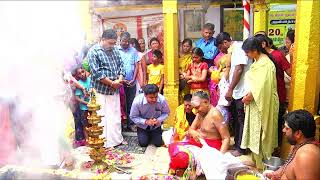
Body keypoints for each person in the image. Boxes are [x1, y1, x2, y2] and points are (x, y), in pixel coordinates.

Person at [168, 91, 230, 175]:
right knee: (172, 147)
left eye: (197, 107)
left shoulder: (215, 114)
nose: (195, 111)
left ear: (206, 102)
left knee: (181, 157)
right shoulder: (200, 113)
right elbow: (191, 129)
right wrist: (193, 132)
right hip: (197, 143)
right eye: (194, 108)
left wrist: (220, 158)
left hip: (210, 147)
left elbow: (226, 138)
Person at [241, 37, 279, 169]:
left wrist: (248, 97)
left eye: (247, 52)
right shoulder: (258, 61)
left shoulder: (265, 64)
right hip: (255, 103)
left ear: (255, 50)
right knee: (255, 131)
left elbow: (261, 87)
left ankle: (262, 165)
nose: (246, 55)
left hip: (262, 103)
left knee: (260, 131)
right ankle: (255, 159)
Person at [87, 29, 126, 148]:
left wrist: (119, 79)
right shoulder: (93, 51)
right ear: (102, 40)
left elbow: (121, 66)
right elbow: (96, 72)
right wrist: (111, 83)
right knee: (102, 116)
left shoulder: (115, 50)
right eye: (110, 43)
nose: (112, 46)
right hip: (100, 90)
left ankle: (116, 140)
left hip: (114, 89)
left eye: (114, 43)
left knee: (114, 116)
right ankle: (103, 142)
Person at [255, 34, 292, 150]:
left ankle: (275, 148)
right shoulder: (258, 57)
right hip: (264, 95)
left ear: (263, 44)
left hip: (276, 94)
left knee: (275, 123)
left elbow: (290, 72)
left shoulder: (277, 55)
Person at [264, 110, 320, 180]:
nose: (283, 130)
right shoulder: (297, 144)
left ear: (298, 133)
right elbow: (288, 165)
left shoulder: (306, 156)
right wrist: (276, 174)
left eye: (287, 128)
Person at [222, 32, 252, 157]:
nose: (222, 51)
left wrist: (230, 89)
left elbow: (239, 69)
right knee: (237, 119)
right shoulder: (234, 50)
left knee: (241, 120)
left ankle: (241, 148)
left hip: (242, 91)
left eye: (220, 47)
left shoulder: (239, 49)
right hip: (237, 91)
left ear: (225, 43)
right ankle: (238, 144)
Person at [118, 32, 139, 132]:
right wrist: (121, 79)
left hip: (132, 82)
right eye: (123, 41)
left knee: (131, 103)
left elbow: (136, 66)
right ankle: (123, 124)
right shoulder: (116, 51)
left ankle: (131, 124)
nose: (125, 43)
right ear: (120, 40)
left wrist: (133, 79)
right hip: (120, 82)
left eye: (127, 42)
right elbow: (116, 67)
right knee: (121, 104)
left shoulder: (133, 51)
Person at [208, 32, 230, 106]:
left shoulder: (231, 53)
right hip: (218, 84)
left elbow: (229, 70)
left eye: (220, 47)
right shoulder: (221, 55)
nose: (220, 50)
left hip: (227, 84)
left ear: (225, 43)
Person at [72, 65, 91, 147]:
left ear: (85, 71)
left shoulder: (90, 80)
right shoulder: (78, 84)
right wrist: (86, 103)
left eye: (83, 72)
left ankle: (94, 139)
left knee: (93, 124)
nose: (82, 74)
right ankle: (87, 141)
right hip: (84, 108)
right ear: (77, 75)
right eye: (79, 73)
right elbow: (77, 98)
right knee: (85, 124)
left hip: (93, 107)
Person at [178, 38, 193, 103]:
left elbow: (192, 67)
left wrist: (185, 75)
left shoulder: (191, 56)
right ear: (182, 46)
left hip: (188, 78)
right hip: (179, 77)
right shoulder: (178, 56)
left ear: (190, 47)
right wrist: (182, 73)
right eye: (184, 46)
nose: (185, 48)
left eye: (187, 46)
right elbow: (176, 68)